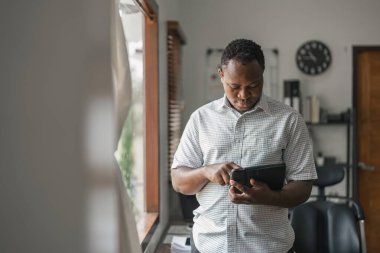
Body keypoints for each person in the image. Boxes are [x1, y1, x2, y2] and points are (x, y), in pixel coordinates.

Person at [170, 39, 317, 253]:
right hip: (209, 246)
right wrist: (205, 171)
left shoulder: (289, 120)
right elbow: (179, 181)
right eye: (234, 86)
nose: (243, 96)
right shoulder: (200, 119)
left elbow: (303, 186)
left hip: (268, 247)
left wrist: (270, 197)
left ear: (263, 75)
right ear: (221, 75)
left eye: (253, 86)